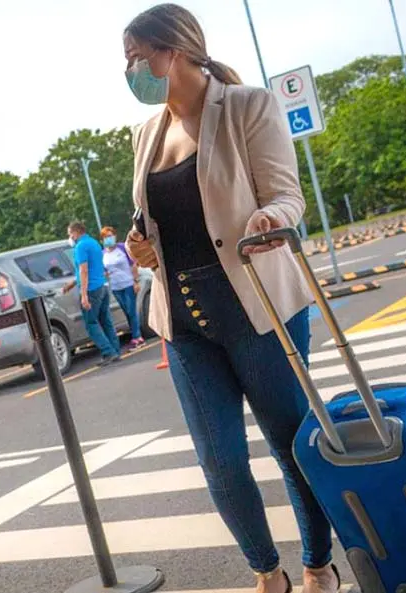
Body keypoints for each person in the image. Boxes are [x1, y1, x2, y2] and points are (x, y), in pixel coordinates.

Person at [122, 5, 341, 593]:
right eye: (126, 59)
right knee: (219, 461)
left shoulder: (247, 106)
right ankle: (268, 572)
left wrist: (271, 218)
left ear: (175, 51)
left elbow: (287, 196)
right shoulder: (145, 134)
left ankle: (319, 565)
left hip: (258, 306)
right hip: (184, 321)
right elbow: (151, 221)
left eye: (138, 56)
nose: (131, 69)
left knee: (291, 444)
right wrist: (140, 246)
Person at [62, 221, 122, 365]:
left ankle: (108, 352)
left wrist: (84, 295)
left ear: (76, 232)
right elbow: (94, 267)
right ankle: (115, 350)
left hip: (91, 289)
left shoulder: (80, 247)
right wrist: (72, 284)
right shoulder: (94, 243)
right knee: (105, 321)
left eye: (70, 234)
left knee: (91, 323)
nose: (70, 237)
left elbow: (84, 270)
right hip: (102, 286)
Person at [99, 226, 145, 350]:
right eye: (106, 237)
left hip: (128, 283)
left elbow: (133, 264)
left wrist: (135, 281)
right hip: (115, 287)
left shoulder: (122, 248)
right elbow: (104, 271)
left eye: (110, 236)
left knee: (131, 310)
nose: (109, 239)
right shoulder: (103, 254)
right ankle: (136, 335)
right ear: (102, 240)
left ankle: (137, 337)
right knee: (126, 312)